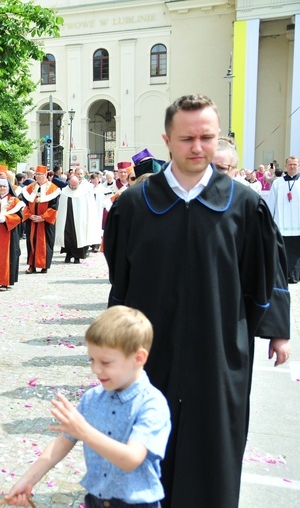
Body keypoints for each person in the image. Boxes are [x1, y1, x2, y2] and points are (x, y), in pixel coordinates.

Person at [103, 94, 291, 508]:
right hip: (149, 352)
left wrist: (277, 331)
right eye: (187, 138)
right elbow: (121, 279)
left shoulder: (243, 204)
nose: (197, 147)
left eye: (207, 137)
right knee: (146, 442)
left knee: (214, 446)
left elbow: (264, 270)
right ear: (167, 139)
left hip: (220, 350)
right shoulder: (135, 204)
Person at [4, 306, 171, 508]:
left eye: (106, 362)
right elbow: (62, 444)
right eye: (91, 360)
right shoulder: (92, 398)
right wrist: (28, 480)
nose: (95, 369)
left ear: (138, 358)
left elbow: (131, 459)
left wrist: (83, 431)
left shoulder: (152, 404)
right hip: (95, 500)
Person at [266, 155, 300, 283]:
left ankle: (296, 275)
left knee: (297, 252)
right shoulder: (277, 183)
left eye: (295, 164)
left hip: (298, 223)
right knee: (282, 251)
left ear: (298, 165)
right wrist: (269, 221)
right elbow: (271, 203)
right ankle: (283, 275)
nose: (292, 166)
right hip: (282, 223)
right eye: (290, 164)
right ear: (285, 166)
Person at [21, 165, 60, 274]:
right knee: (31, 242)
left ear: (46, 175)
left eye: (40, 175)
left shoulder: (53, 189)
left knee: (46, 243)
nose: (38, 177)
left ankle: (44, 265)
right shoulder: (28, 188)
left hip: (46, 222)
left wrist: (43, 217)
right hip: (32, 221)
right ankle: (31, 265)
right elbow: (24, 205)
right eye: (36, 175)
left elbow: (54, 206)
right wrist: (29, 215)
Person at [55, 175, 101, 264]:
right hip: (67, 219)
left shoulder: (83, 192)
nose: (72, 187)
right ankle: (68, 255)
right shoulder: (64, 191)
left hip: (80, 220)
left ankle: (77, 257)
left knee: (79, 238)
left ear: (78, 184)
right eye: (71, 185)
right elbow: (61, 207)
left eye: (74, 186)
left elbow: (87, 207)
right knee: (67, 238)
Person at [0, 177, 23, 291]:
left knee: (7, 256)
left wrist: (7, 218)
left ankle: (5, 281)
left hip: (8, 232)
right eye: (0, 186)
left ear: (8, 188)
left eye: (4, 186)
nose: (2, 188)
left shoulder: (14, 200)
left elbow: (19, 217)